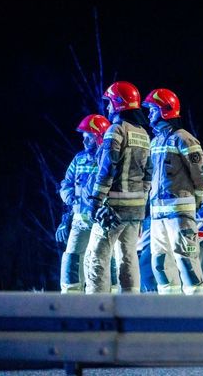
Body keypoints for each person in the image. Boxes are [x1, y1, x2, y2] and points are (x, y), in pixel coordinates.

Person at [84, 81, 152, 293]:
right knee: (128, 258)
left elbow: (107, 169)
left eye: (110, 102)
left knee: (96, 257)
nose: (107, 107)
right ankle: (131, 304)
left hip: (112, 209)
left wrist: (96, 200)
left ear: (119, 103)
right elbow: (148, 173)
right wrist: (142, 201)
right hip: (136, 210)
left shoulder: (116, 130)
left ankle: (98, 305)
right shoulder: (143, 134)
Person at [142, 88, 203, 295]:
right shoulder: (154, 142)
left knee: (186, 260)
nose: (149, 114)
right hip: (158, 216)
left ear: (166, 109)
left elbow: (200, 172)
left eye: (153, 109)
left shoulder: (184, 139)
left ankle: (197, 305)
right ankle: (170, 305)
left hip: (180, 214)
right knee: (160, 262)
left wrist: (198, 198)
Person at [57, 114, 111, 293]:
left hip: (101, 221)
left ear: (99, 137)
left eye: (89, 136)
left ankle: (107, 296)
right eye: (83, 136)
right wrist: (69, 198)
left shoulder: (109, 160)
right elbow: (66, 183)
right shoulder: (79, 159)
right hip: (79, 220)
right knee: (71, 259)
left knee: (102, 260)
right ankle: (71, 297)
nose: (84, 140)